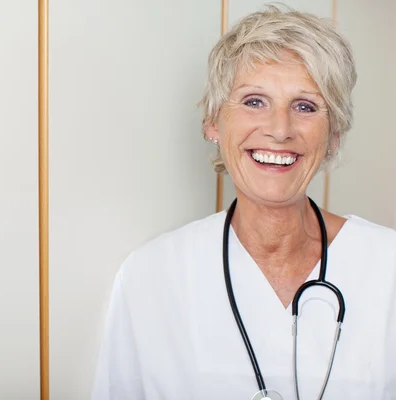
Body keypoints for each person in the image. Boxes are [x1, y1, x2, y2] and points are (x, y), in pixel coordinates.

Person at [91, 5, 396, 400]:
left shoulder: (387, 266)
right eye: (254, 101)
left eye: (305, 106)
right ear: (213, 122)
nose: (279, 130)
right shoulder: (150, 277)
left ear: (333, 135)